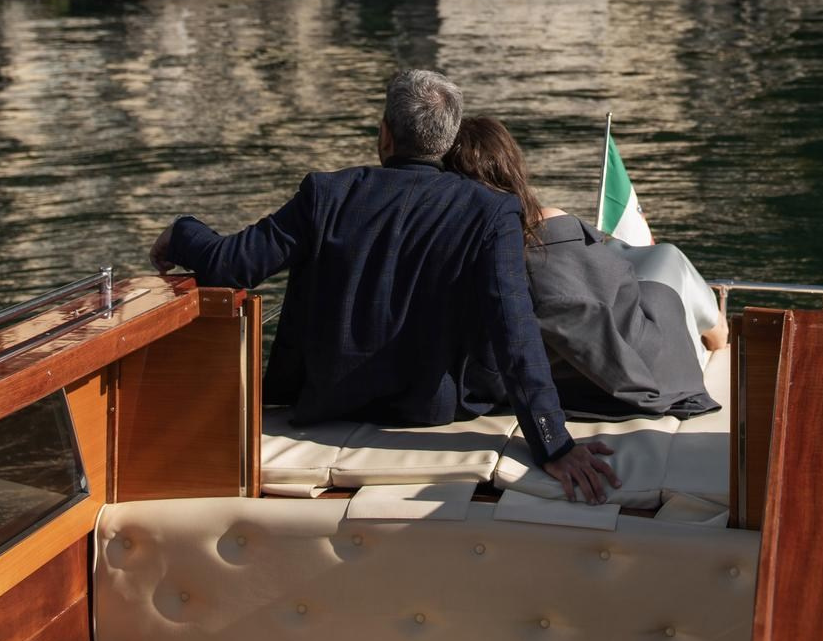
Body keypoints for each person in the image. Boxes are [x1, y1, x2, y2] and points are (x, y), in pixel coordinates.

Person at [149, 70, 620, 502]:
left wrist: (182, 232)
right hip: (435, 409)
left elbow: (231, 264)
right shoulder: (489, 211)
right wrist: (552, 442)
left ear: (385, 134)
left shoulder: (326, 193)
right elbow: (513, 330)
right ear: (448, 139)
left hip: (326, 402)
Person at [444, 116, 726, 422]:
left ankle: (713, 326)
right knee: (667, 260)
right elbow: (600, 288)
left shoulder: (448, 241)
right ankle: (718, 331)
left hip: (548, 373)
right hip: (632, 368)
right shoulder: (538, 225)